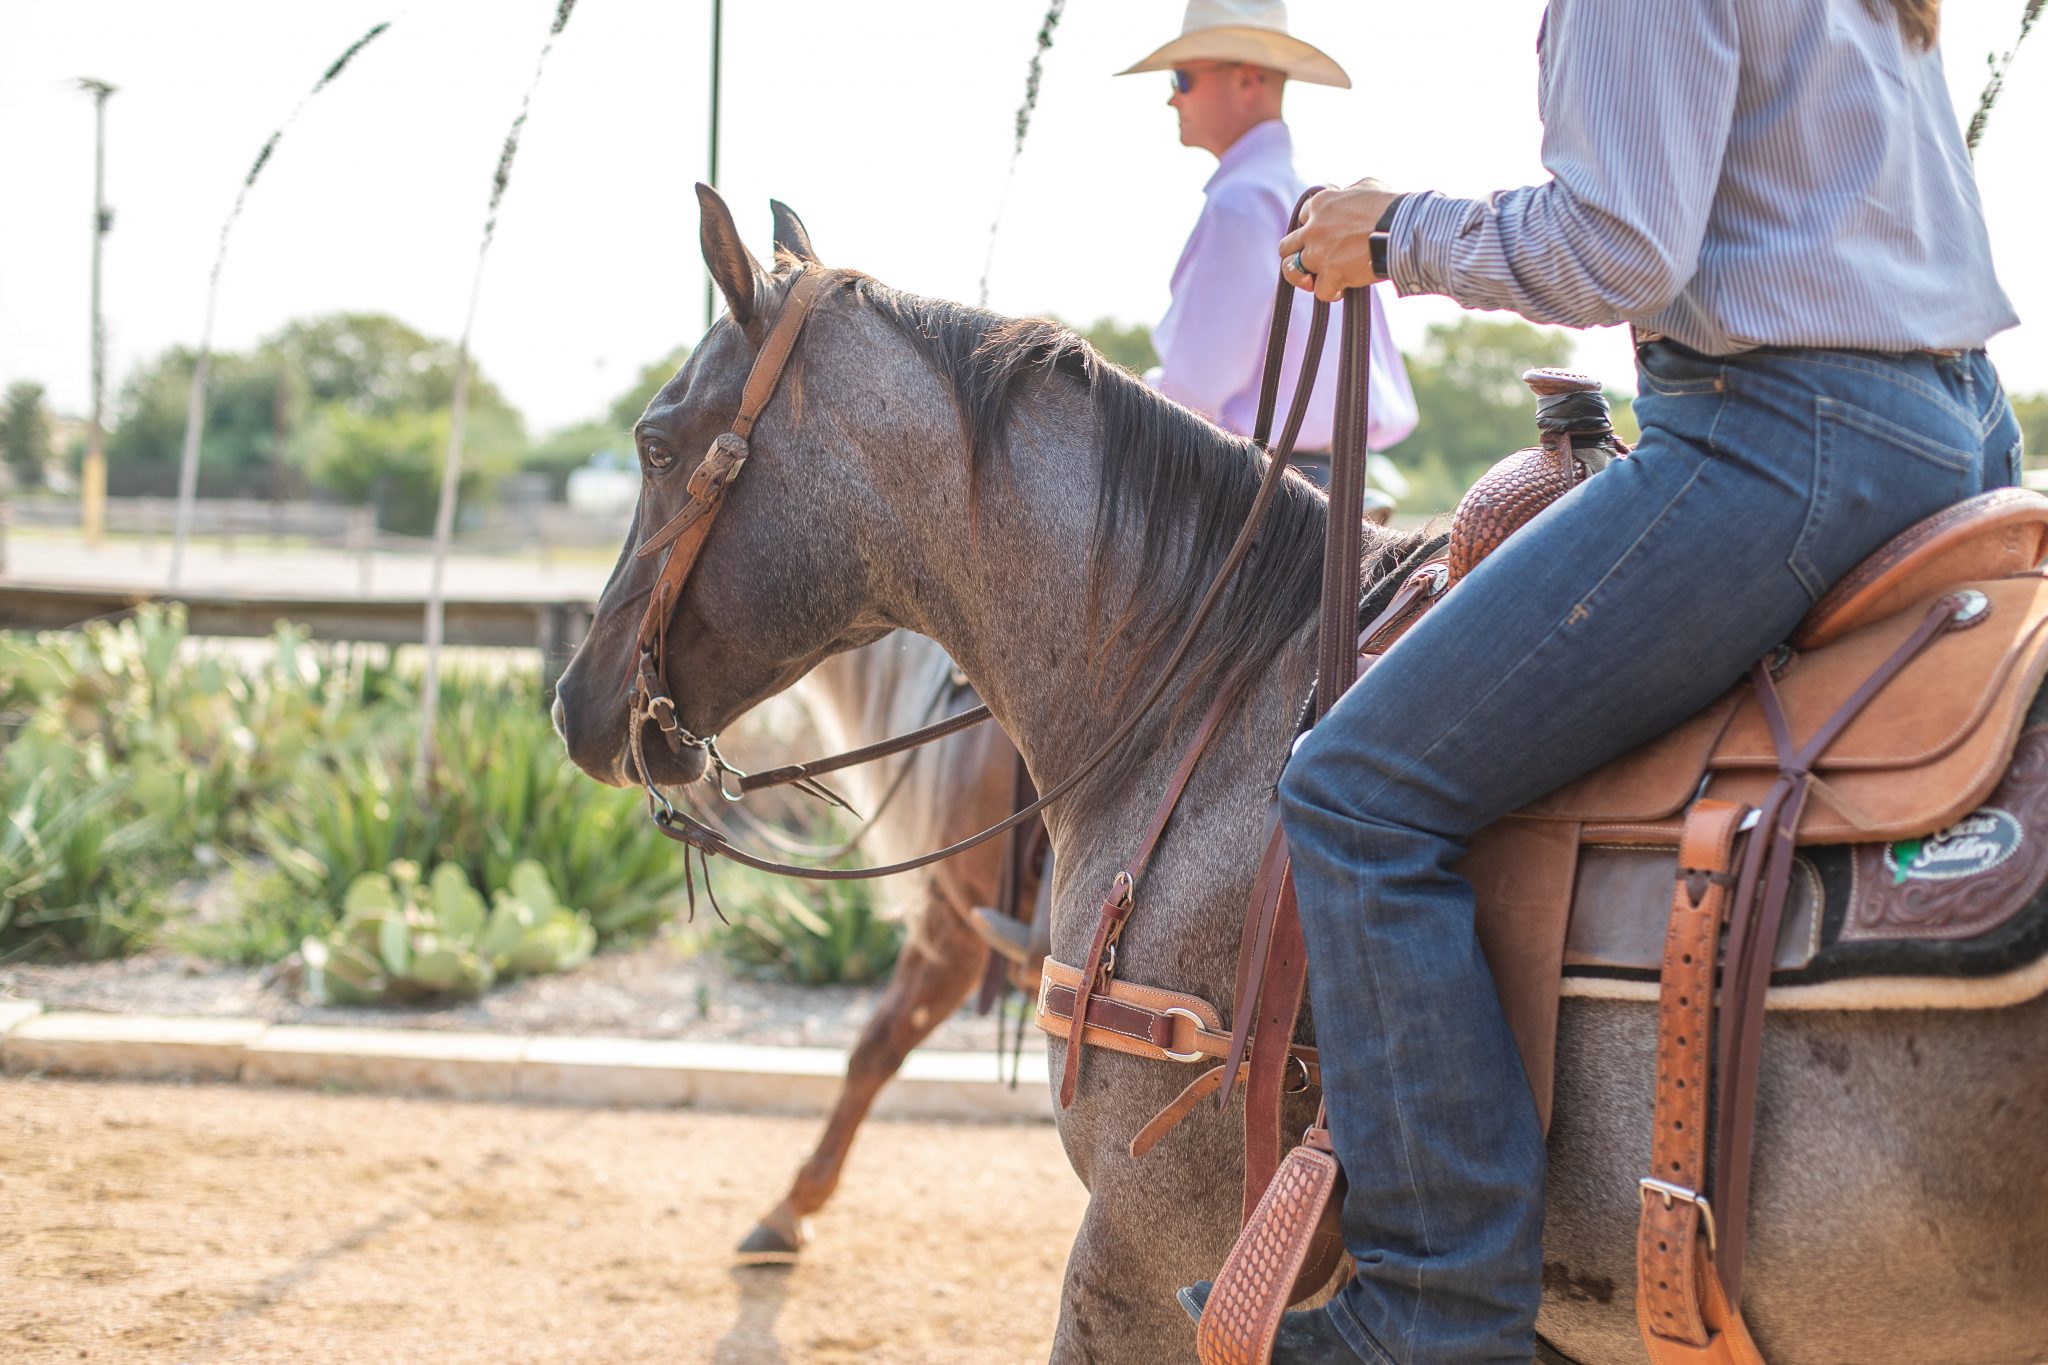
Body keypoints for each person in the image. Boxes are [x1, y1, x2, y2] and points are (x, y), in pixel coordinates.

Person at [1184, 1, 2022, 1360]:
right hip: (1959, 428)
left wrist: (1393, 233)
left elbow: (1622, 246)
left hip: (1780, 437)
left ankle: (1431, 1309)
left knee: (1355, 788)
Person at [1118, 0, 1416, 495]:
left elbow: (1194, 390)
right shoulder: (1312, 199)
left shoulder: (1242, 200)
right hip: (1329, 482)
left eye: (1183, 79)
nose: (1174, 99)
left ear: (1245, 78)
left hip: (1258, 492)